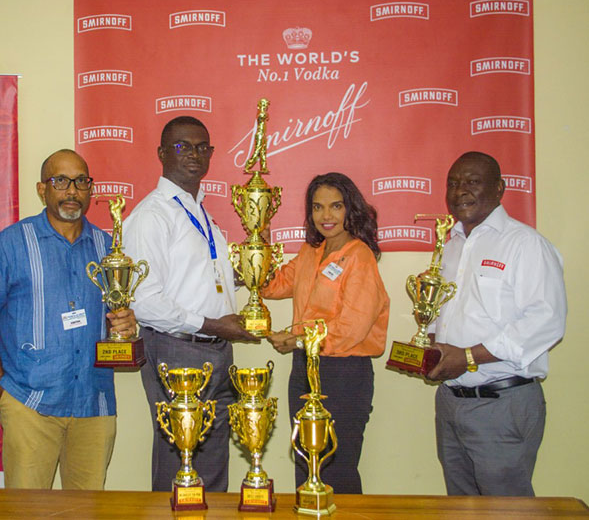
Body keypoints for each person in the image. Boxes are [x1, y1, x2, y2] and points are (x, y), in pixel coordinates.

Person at [0, 149, 137, 490]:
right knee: (27, 512)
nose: (72, 191)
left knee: (86, 512)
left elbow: (112, 317)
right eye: (60, 181)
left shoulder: (109, 248)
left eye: (80, 182)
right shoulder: (12, 243)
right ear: (41, 189)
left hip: (94, 403)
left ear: (90, 190)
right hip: (30, 404)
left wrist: (124, 327)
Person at [122, 116, 257, 492]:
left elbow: (196, 278)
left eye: (202, 147)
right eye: (182, 146)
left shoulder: (201, 212)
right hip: (177, 350)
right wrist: (216, 326)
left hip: (216, 349)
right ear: (162, 153)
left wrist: (248, 276)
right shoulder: (152, 215)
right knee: (178, 460)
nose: (194, 155)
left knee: (212, 460)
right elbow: (145, 302)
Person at [428, 151, 566, 496]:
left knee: (506, 511)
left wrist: (469, 357)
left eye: (472, 182)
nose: (460, 191)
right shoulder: (451, 248)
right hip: (451, 402)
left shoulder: (526, 244)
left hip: (501, 404)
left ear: (499, 188)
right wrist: (431, 347)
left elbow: (545, 320)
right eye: (453, 183)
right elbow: (447, 317)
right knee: (461, 508)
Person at [264, 172, 389, 494]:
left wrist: (298, 339)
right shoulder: (311, 251)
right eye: (318, 208)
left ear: (351, 209)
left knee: (338, 466)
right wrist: (259, 245)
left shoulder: (360, 256)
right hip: (304, 369)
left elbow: (352, 329)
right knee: (307, 463)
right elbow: (273, 286)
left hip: (344, 373)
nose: (326, 216)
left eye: (336, 206)